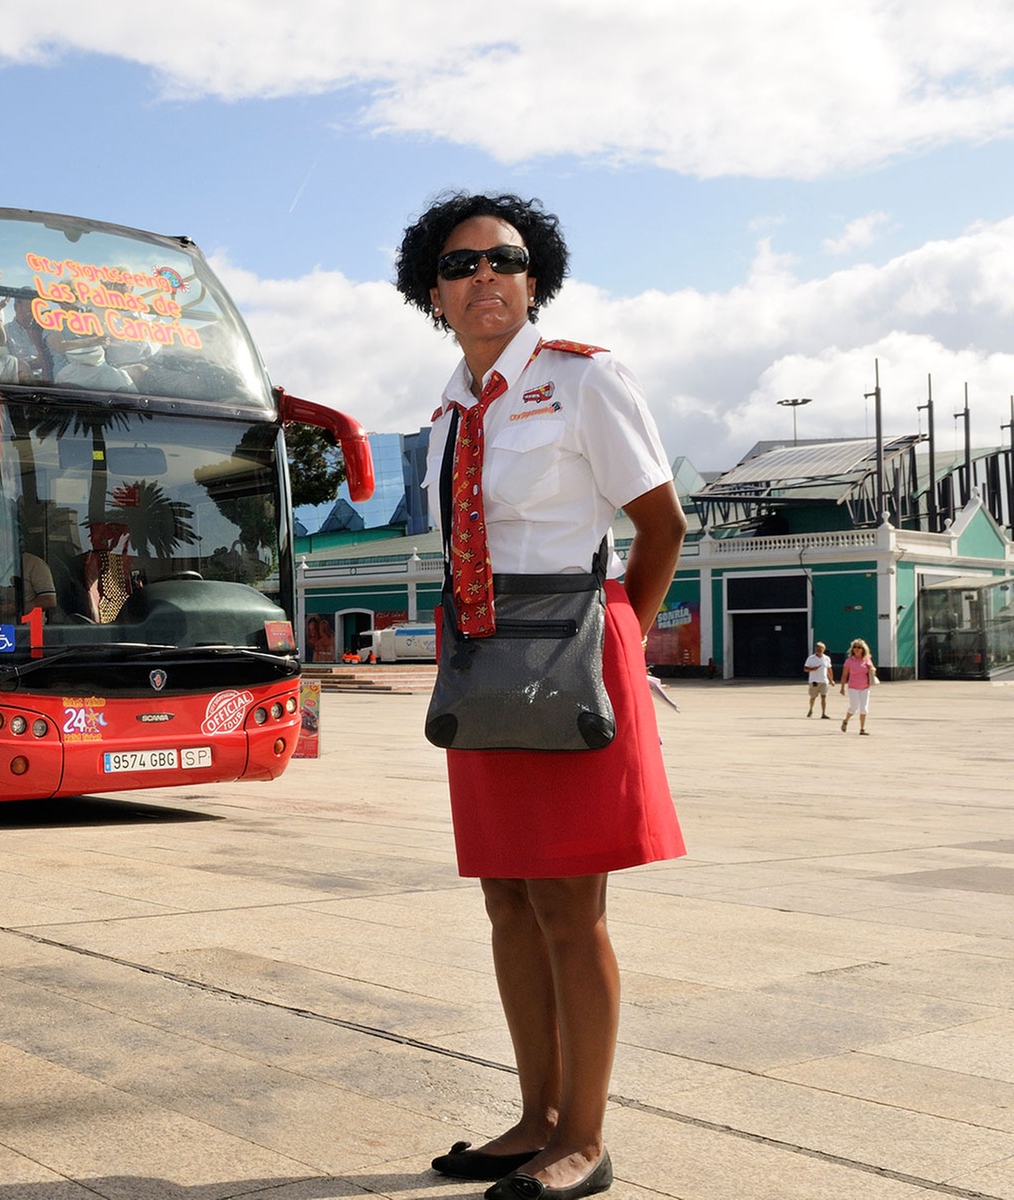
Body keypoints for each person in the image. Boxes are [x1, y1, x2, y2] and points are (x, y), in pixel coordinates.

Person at [398, 192, 687, 1200]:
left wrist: (614, 645)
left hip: (570, 639)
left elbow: (662, 527)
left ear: (534, 279)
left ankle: (585, 1137)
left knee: (571, 903)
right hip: (480, 653)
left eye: (505, 260)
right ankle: (532, 1117)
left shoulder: (581, 379)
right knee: (505, 900)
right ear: (429, 292)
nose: (485, 277)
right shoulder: (442, 413)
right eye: (459, 264)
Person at [839, 638, 877, 734]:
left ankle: (862, 729)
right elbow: (844, 675)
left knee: (864, 708)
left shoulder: (866, 660)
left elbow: (873, 669)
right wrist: (842, 687)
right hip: (853, 687)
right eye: (855, 647)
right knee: (854, 707)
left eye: (859, 647)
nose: (857, 649)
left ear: (863, 649)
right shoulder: (849, 661)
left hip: (865, 686)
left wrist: (872, 668)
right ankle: (846, 720)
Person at [803, 640, 834, 718]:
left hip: (824, 681)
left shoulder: (826, 658)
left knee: (824, 697)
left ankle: (823, 713)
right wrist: (812, 669)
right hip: (814, 681)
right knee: (813, 697)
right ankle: (811, 709)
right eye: (817, 649)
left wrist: (831, 680)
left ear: (824, 649)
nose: (819, 650)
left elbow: (829, 669)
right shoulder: (811, 658)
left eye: (821, 649)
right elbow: (805, 669)